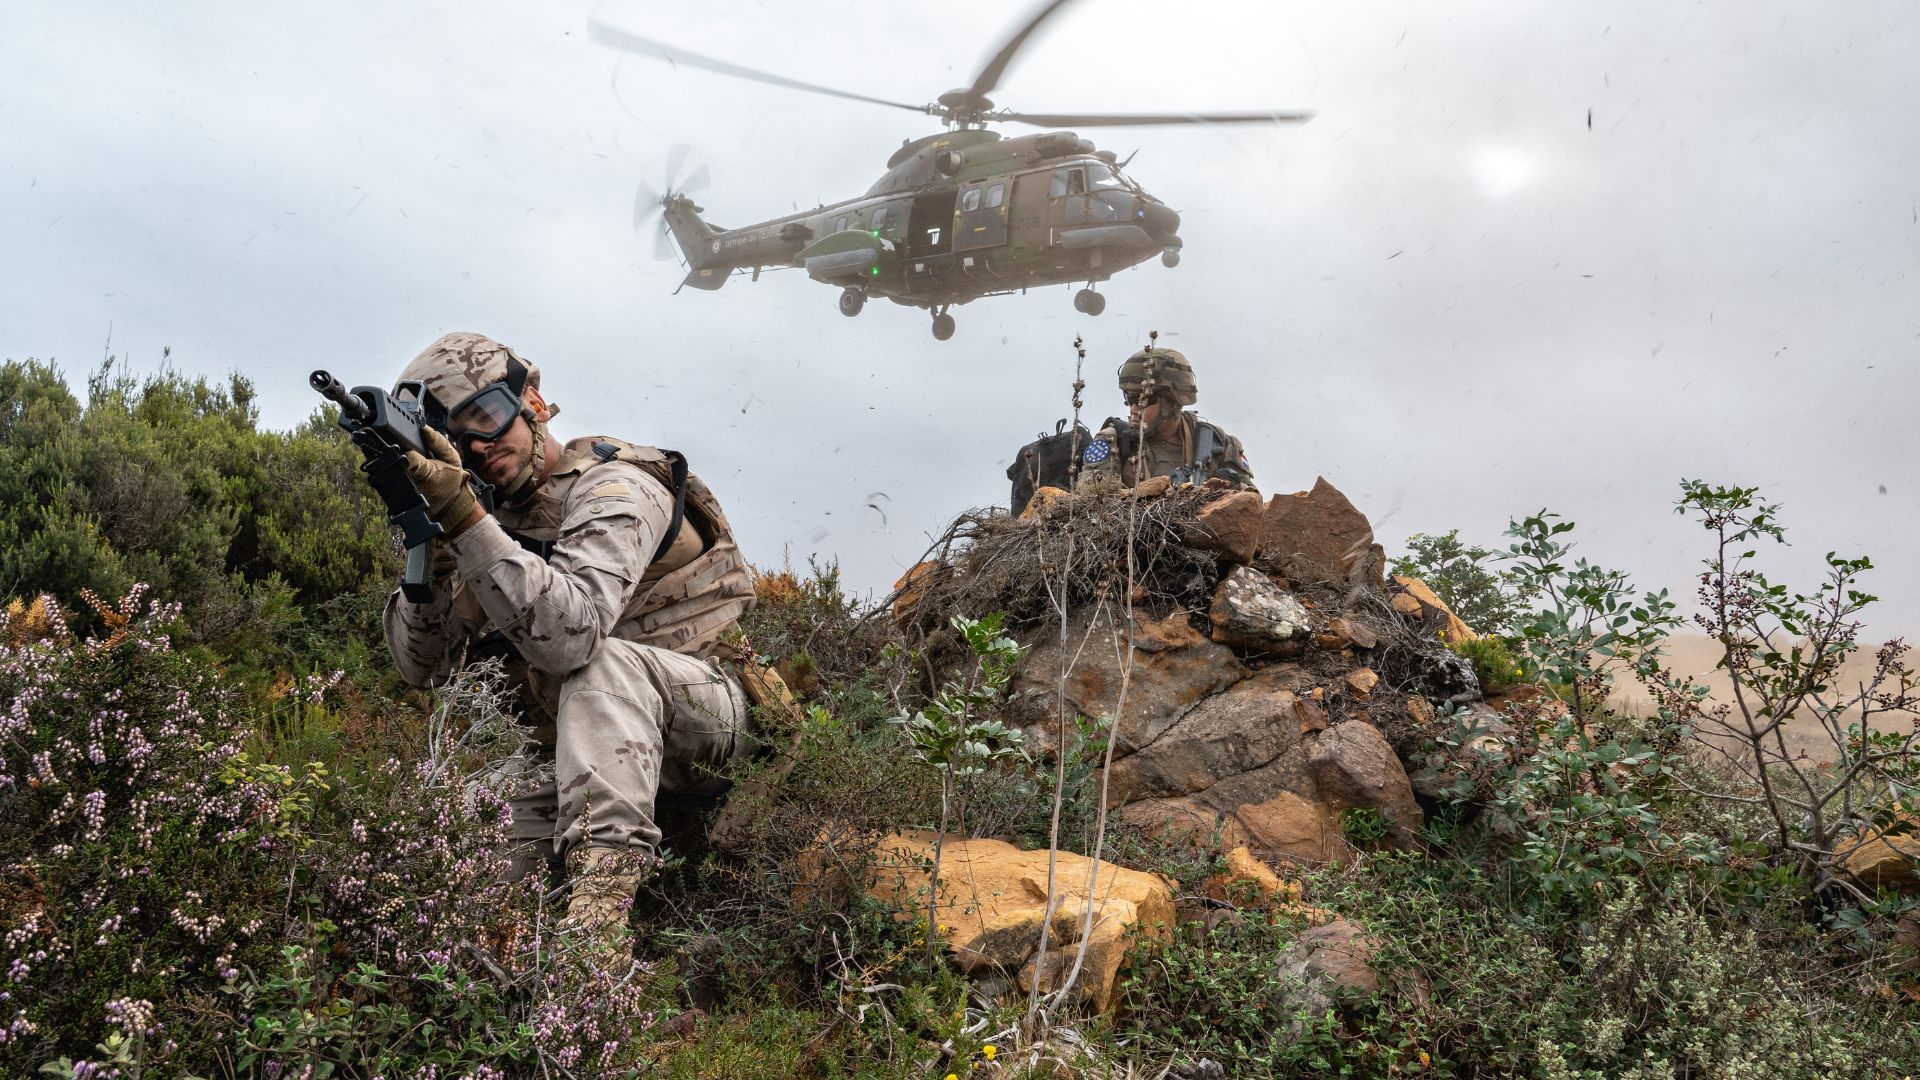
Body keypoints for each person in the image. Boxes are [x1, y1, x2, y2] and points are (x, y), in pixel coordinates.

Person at [380, 332, 757, 963]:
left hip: (708, 720)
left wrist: (470, 525)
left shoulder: (617, 488)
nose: (479, 445)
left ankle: (597, 928)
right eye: (456, 436)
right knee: (462, 836)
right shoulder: (484, 525)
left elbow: (573, 637)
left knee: (599, 663)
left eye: (488, 416)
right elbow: (422, 666)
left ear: (533, 399)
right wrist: (432, 544)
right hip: (586, 746)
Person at [1081, 344, 1255, 488]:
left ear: (1172, 402)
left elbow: (1253, 504)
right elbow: (1093, 504)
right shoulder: (1113, 442)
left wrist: (1228, 487)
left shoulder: (1217, 442)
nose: (1133, 409)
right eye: (1129, 398)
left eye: (1143, 400)